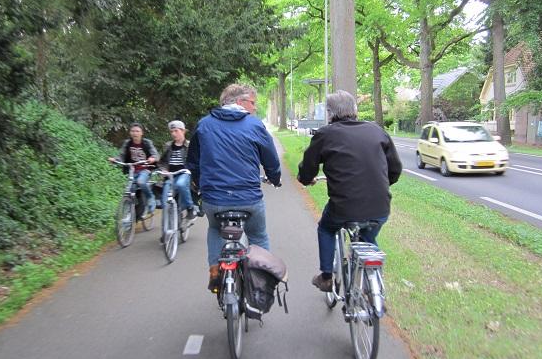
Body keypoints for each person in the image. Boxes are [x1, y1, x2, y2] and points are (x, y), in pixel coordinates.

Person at [297, 90, 402, 292]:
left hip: (343, 208)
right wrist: (379, 185)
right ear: (355, 109)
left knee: (326, 228)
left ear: (329, 113)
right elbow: (395, 169)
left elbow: (308, 168)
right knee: (367, 236)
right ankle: (374, 288)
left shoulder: (325, 134)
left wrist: (306, 179)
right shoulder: (377, 131)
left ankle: (327, 277)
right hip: (380, 206)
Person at [186, 83, 281, 291]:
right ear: (240, 102)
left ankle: (214, 271)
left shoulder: (204, 124)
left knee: (214, 228)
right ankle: (260, 280)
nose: (255, 108)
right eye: (253, 103)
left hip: (214, 199)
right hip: (249, 199)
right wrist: (275, 178)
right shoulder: (255, 125)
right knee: (257, 235)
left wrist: (200, 183)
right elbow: (271, 160)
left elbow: (192, 161)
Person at [108, 123, 159, 216]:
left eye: (137, 131)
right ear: (130, 133)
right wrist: (115, 160)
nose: (135, 133)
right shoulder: (127, 143)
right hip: (133, 170)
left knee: (141, 182)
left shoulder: (147, 143)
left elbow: (155, 154)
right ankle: (129, 215)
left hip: (145, 168)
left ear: (142, 133)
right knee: (130, 190)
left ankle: (150, 198)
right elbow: (122, 155)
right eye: (133, 131)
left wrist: (153, 158)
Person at [158, 120, 197, 220]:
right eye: (171, 132)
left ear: (183, 131)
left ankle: (190, 207)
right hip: (170, 176)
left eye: (176, 131)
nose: (173, 134)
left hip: (185, 174)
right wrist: (164, 170)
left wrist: (191, 171)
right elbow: (161, 162)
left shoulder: (190, 145)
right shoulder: (168, 145)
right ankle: (166, 232)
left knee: (181, 184)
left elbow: (196, 161)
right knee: (164, 202)